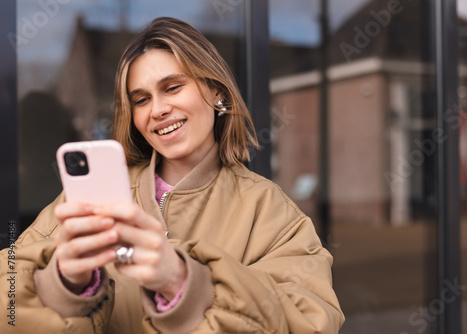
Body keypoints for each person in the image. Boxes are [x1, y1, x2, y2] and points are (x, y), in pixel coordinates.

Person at [0, 17, 344, 333]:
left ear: (217, 92)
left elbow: (310, 322)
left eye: (173, 87)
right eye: (141, 99)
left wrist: (185, 284)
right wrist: (63, 285)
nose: (158, 110)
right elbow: (8, 300)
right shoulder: (83, 200)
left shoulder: (269, 210)